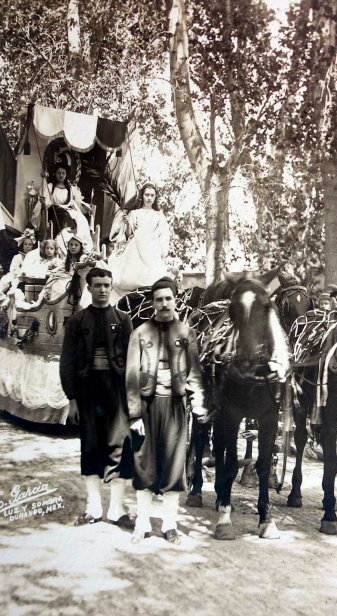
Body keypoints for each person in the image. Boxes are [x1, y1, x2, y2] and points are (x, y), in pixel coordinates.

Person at [125, 276, 207, 545]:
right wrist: (135, 414)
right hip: (147, 408)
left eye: (168, 298)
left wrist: (198, 403)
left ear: (175, 300)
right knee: (144, 464)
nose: (164, 304)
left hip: (174, 406)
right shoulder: (140, 333)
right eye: (158, 299)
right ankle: (142, 523)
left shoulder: (186, 333)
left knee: (174, 467)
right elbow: (131, 377)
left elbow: (194, 372)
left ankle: (170, 525)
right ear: (152, 302)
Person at [59, 267, 134, 529]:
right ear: (88, 288)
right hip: (88, 391)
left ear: (111, 287)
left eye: (106, 285)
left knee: (120, 446)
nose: (102, 289)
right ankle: (93, 507)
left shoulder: (123, 320)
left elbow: (131, 362)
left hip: (116, 391)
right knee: (90, 447)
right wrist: (72, 399)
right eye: (97, 285)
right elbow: (67, 363)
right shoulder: (77, 322)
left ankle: (116, 509)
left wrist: (131, 400)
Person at [108, 182, 170, 296]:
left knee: (154, 277)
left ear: (155, 197)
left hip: (152, 248)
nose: (149, 198)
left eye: (152, 195)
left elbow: (164, 234)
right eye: (147, 195)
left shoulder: (158, 215)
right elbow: (129, 233)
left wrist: (162, 251)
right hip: (136, 246)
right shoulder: (135, 213)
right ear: (142, 195)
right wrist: (127, 223)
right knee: (132, 277)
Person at [36, 162, 93, 252]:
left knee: (81, 218)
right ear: (55, 174)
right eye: (59, 173)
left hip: (67, 208)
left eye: (63, 173)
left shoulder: (70, 188)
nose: (61, 175)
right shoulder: (50, 187)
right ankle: (62, 239)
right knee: (65, 215)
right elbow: (46, 202)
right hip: (54, 209)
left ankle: (81, 243)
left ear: (66, 175)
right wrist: (43, 202)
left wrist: (85, 207)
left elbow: (76, 201)